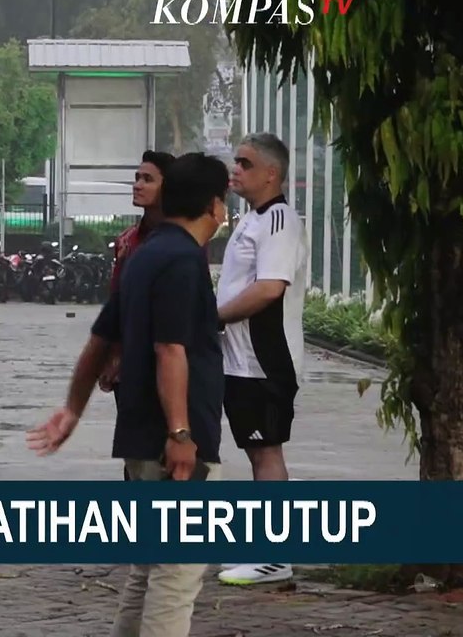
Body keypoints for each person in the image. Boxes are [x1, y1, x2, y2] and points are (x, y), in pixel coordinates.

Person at [27, 152, 230, 637]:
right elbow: (170, 349)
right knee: (176, 577)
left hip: (140, 436)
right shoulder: (182, 260)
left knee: (148, 568)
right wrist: (181, 433)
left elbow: (100, 340)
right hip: (173, 443)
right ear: (215, 206)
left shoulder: (144, 255)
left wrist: (73, 409)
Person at [214, 133, 307, 586]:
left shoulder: (279, 221)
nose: (236, 170)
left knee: (267, 454)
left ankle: (274, 556)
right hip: (241, 362)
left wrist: (213, 318)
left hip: (264, 362)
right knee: (258, 454)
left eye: (245, 164)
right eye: (236, 162)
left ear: (271, 173)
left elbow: (270, 287)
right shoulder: (253, 219)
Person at [99, 150, 175, 394]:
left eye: (148, 180)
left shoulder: (184, 241)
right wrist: (112, 354)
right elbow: (117, 301)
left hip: (168, 362)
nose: (137, 185)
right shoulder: (127, 240)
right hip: (128, 362)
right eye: (137, 178)